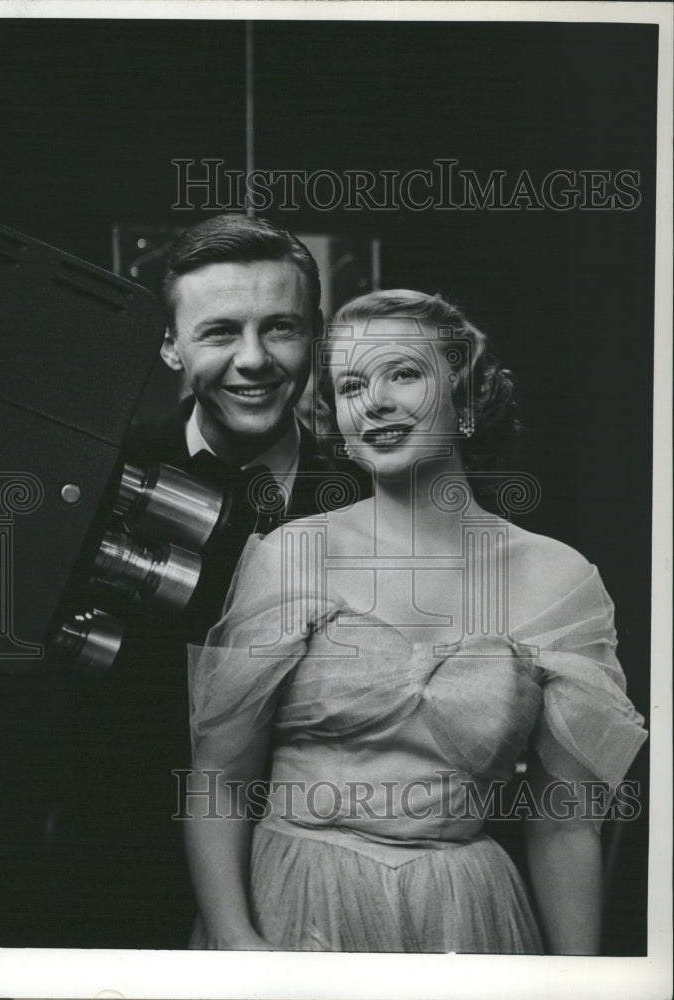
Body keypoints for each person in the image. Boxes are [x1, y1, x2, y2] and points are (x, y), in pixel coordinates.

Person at [183, 289, 648, 954]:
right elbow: (218, 779)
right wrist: (235, 939)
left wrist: (578, 981)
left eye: (403, 373)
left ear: (465, 400)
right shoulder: (292, 554)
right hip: (290, 903)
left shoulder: (560, 579)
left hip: (467, 916)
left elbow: (563, 825)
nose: (373, 401)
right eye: (350, 385)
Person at [58, 214, 368, 948]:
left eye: (281, 328)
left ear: (315, 336)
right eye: (220, 331)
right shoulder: (91, 479)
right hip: (118, 880)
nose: (254, 359)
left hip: (322, 883)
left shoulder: (370, 499)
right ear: (170, 344)